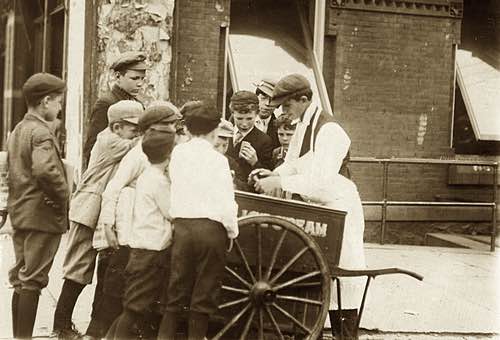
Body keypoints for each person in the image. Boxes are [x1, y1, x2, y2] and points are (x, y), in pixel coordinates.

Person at [252, 73, 366, 336]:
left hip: (339, 206)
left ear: (303, 99)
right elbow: (295, 161)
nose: (282, 111)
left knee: (345, 277)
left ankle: (346, 336)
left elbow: (321, 181)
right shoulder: (303, 122)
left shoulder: (330, 131)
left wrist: (282, 184)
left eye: (286, 105)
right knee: (315, 269)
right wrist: (275, 175)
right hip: (319, 206)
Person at [86, 101, 182, 339]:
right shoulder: (140, 155)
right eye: (167, 125)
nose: (172, 129)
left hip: (140, 232)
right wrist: (109, 225)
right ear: (152, 127)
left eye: (173, 124)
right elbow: (112, 189)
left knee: (132, 294)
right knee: (119, 290)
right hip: (131, 233)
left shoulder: (158, 151)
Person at [52, 100, 141, 339]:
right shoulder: (109, 140)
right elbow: (141, 146)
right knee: (77, 270)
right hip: (87, 210)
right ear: (117, 127)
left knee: (95, 269)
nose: (138, 132)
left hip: (95, 210)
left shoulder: (118, 137)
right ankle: (60, 326)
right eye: (134, 127)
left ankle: (90, 327)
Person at [158, 103, 239, 340]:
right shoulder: (218, 161)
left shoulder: (178, 155)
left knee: (176, 291)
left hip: (182, 228)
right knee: (204, 293)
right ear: (214, 130)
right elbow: (226, 201)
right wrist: (232, 232)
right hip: (210, 230)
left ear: (189, 130)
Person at [7, 73, 69, 339]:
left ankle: (20, 336)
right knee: (32, 279)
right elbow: (45, 170)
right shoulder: (42, 132)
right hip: (42, 216)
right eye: (58, 102)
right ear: (46, 101)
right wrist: (62, 196)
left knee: (22, 279)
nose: (59, 108)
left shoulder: (19, 129)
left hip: (21, 213)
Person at [106, 131, 175, 340]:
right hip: (151, 250)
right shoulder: (159, 182)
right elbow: (170, 212)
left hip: (142, 247)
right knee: (135, 306)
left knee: (135, 303)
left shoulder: (146, 176)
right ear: (169, 155)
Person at [82, 51, 147, 168]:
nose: (140, 84)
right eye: (135, 78)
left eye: (142, 79)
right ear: (118, 76)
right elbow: (92, 147)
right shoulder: (107, 103)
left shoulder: (138, 104)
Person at [226, 90, 273, 190]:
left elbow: (267, 179)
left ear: (256, 114)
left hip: (246, 194)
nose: (244, 124)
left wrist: (255, 162)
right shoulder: (224, 133)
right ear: (232, 113)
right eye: (239, 118)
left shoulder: (265, 141)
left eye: (249, 119)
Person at [215, 119, 251, 191]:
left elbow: (245, 187)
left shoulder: (230, 162)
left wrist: (233, 180)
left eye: (225, 145)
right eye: (216, 146)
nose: (221, 151)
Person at [254, 78, 280, 149]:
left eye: (272, 100)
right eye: (263, 98)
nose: (267, 104)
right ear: (256, 98)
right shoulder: (240, 119)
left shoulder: (280, 128)